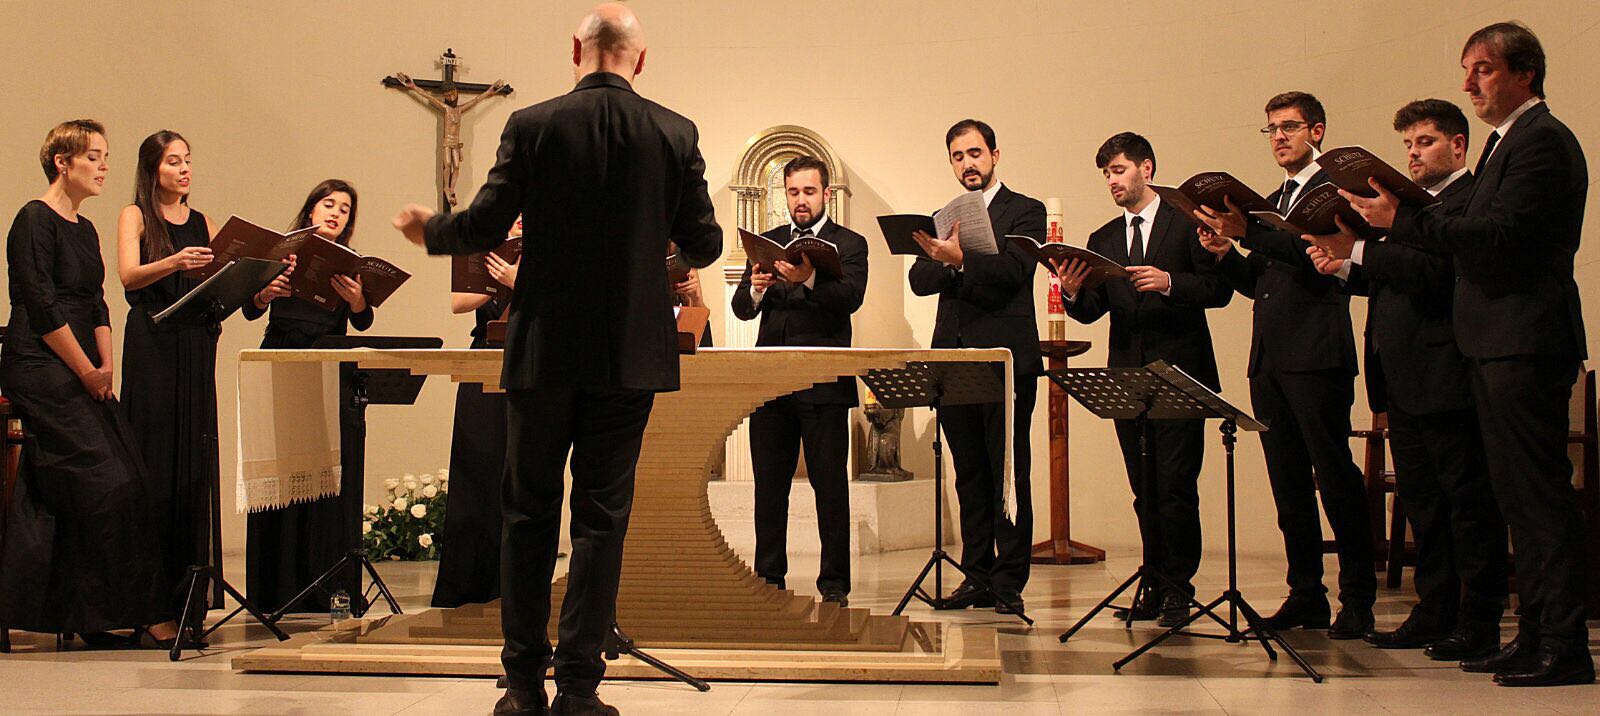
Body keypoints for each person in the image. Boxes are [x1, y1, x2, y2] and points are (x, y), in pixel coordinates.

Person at [392, 4, 721, 714]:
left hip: (544, 347)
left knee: (528, 513)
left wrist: (433, 230)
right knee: (601, 520)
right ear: (640, 58)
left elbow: (484, 225)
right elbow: (706, 242)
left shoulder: (532, 124)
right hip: (628, 354)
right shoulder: (674, 132)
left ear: (576, 49)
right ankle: (578, 687)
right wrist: (651, 241)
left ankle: (520, 687)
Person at [1340, 22, 1591, 687]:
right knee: (1517, 502)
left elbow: (1497, 235)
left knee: (1537, 500)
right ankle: (1533, 634)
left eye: (1482, 69)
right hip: (1497, 341)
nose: (1468, 83)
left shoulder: (1542, 140)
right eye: (1467, 69)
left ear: (1524, 73)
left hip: (1524, 337)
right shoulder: (1509, 143)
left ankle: (1564, 644)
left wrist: (1400, 222)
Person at [1304, 100, 1507, 661]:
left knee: (1466, 502)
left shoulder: (1465, 202)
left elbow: (1436, 273)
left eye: (1425, 142)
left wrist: (1360, 249)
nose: (1413, 154)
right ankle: (1434, 610)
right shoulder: (1408, 208)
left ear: (1458, 146)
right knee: (1423, 503)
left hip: (1447, 371)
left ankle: (1478, 619)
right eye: (1408, 145)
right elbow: (1393, 281)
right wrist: (1345, 265)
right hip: (1401, 375)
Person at [1193, 91, 1376, 639]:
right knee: (1287, 481)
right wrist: (1227, 255)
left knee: (1334, 476)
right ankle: (1306, 594)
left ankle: (1358, 598)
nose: (1278, 137)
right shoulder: (1271, 201)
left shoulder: (1335, 193)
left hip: (1317, 353)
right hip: (1270, 357)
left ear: (1316, 131)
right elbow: (1263, 283)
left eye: (1289, 127)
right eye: (1271, 128)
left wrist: (1250, 234)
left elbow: (1325, 258)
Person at [0, 120, 179, 648]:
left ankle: (93, 612)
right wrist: (86, 371)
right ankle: (138, 612)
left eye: (105, 157)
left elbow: (98, 302)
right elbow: (41, 305)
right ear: (63, 162)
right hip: (40, 362)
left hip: (83, 364)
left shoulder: (84, 228)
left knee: (122, 477)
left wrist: (105, 366)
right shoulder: (33, 219)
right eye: (94, 156)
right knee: (108, 480)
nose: (104, 166)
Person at [1056, 132, 1231, 627]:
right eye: (1106, 174)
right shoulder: (1104, 238)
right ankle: (1153, 582)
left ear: (1146, 168)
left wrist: (1170, 282)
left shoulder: (1186, 221)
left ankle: (1179, 588)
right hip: (1128, 379)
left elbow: (1218, 290)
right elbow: (1092, 310)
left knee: (1176, 487)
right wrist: (1072, 292)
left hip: (1180, 374)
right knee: (1144, 489)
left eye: (1119, 170)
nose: (1112, 181)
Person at [907, 119, 1044, 615]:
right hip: (955, 361)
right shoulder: (943, 217)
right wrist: (948, 260)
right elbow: (919, 278)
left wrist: (961, 259)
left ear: (994, 155)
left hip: (1005, 359)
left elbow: (1015, 270)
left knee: (1007, 473)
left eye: (975, 153)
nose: (968, 163)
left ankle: (1008, 581)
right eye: (958, 156)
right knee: (968, 474)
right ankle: (977, 574)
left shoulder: (1025, 210)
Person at [731, 155, 869, 606]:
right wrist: (755, 288)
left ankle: (834, 584)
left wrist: (809, 279)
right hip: (771, 383)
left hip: (823, 382)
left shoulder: (849, 243)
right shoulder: (769, 242)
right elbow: (741, 309)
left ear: (825, 194)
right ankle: (769, 577)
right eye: (793, 192)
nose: (801, 200)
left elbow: (850, 298)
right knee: (770, 487)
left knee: (830, 488)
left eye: (809, 191)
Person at [242, 179, 375, 615]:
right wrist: (265, 293)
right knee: (282, 467)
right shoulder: (283, 251)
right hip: (282, 355)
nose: (335, 213)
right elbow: (250, 308)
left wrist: (358, 300)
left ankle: (326, 583)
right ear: (311, 210)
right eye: (328, 204)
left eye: (344, 209)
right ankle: (276, 586)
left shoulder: (349, 263)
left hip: (327, 361)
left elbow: (364, 322)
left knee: (326, 470)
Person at [115, 130, 226, 621]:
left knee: (193, 464)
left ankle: (188, 599)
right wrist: (175, 262)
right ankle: (149, 602)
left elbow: (222, 277)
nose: (184, 169)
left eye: (188, 160)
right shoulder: (136, 215)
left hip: (195, 343)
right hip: (154, 342)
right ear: (152, 169)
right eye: (173, 161)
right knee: (156, 460)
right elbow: (128, 275)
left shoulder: (203, 221)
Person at [432, 217, 521, 608]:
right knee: (476, 466)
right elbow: (458, 303)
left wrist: (521, 281)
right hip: (484, 356)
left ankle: (512, 582)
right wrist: (498, 281)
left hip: (529, 360)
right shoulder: (482, 248)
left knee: (519, 473)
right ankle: (466, 583)